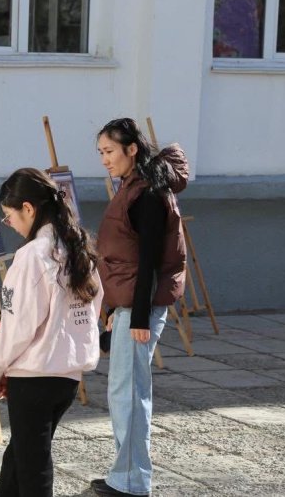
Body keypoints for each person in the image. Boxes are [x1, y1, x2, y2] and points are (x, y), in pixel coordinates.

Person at [0, 168, 103, 497]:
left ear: (28, 208)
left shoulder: (34, 254)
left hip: (34, 375)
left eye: (9, 216)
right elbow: (92, 307)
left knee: (33, 466)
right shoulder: (75, 247)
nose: (10, 224)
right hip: (65, 376)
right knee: (20, 456)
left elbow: (17, 326)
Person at [92, 118, 189, 497]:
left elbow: (149, 258)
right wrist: (116, 310)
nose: (105, 160)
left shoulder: (147, 193)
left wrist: (139, 317)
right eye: (101, 152)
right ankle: (125, 473)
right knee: (123, 391)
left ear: (132, 149)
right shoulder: (134, 186)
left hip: (140, 306)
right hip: (131, 303)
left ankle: (131, 481)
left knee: (129, 393)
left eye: (110, 151)